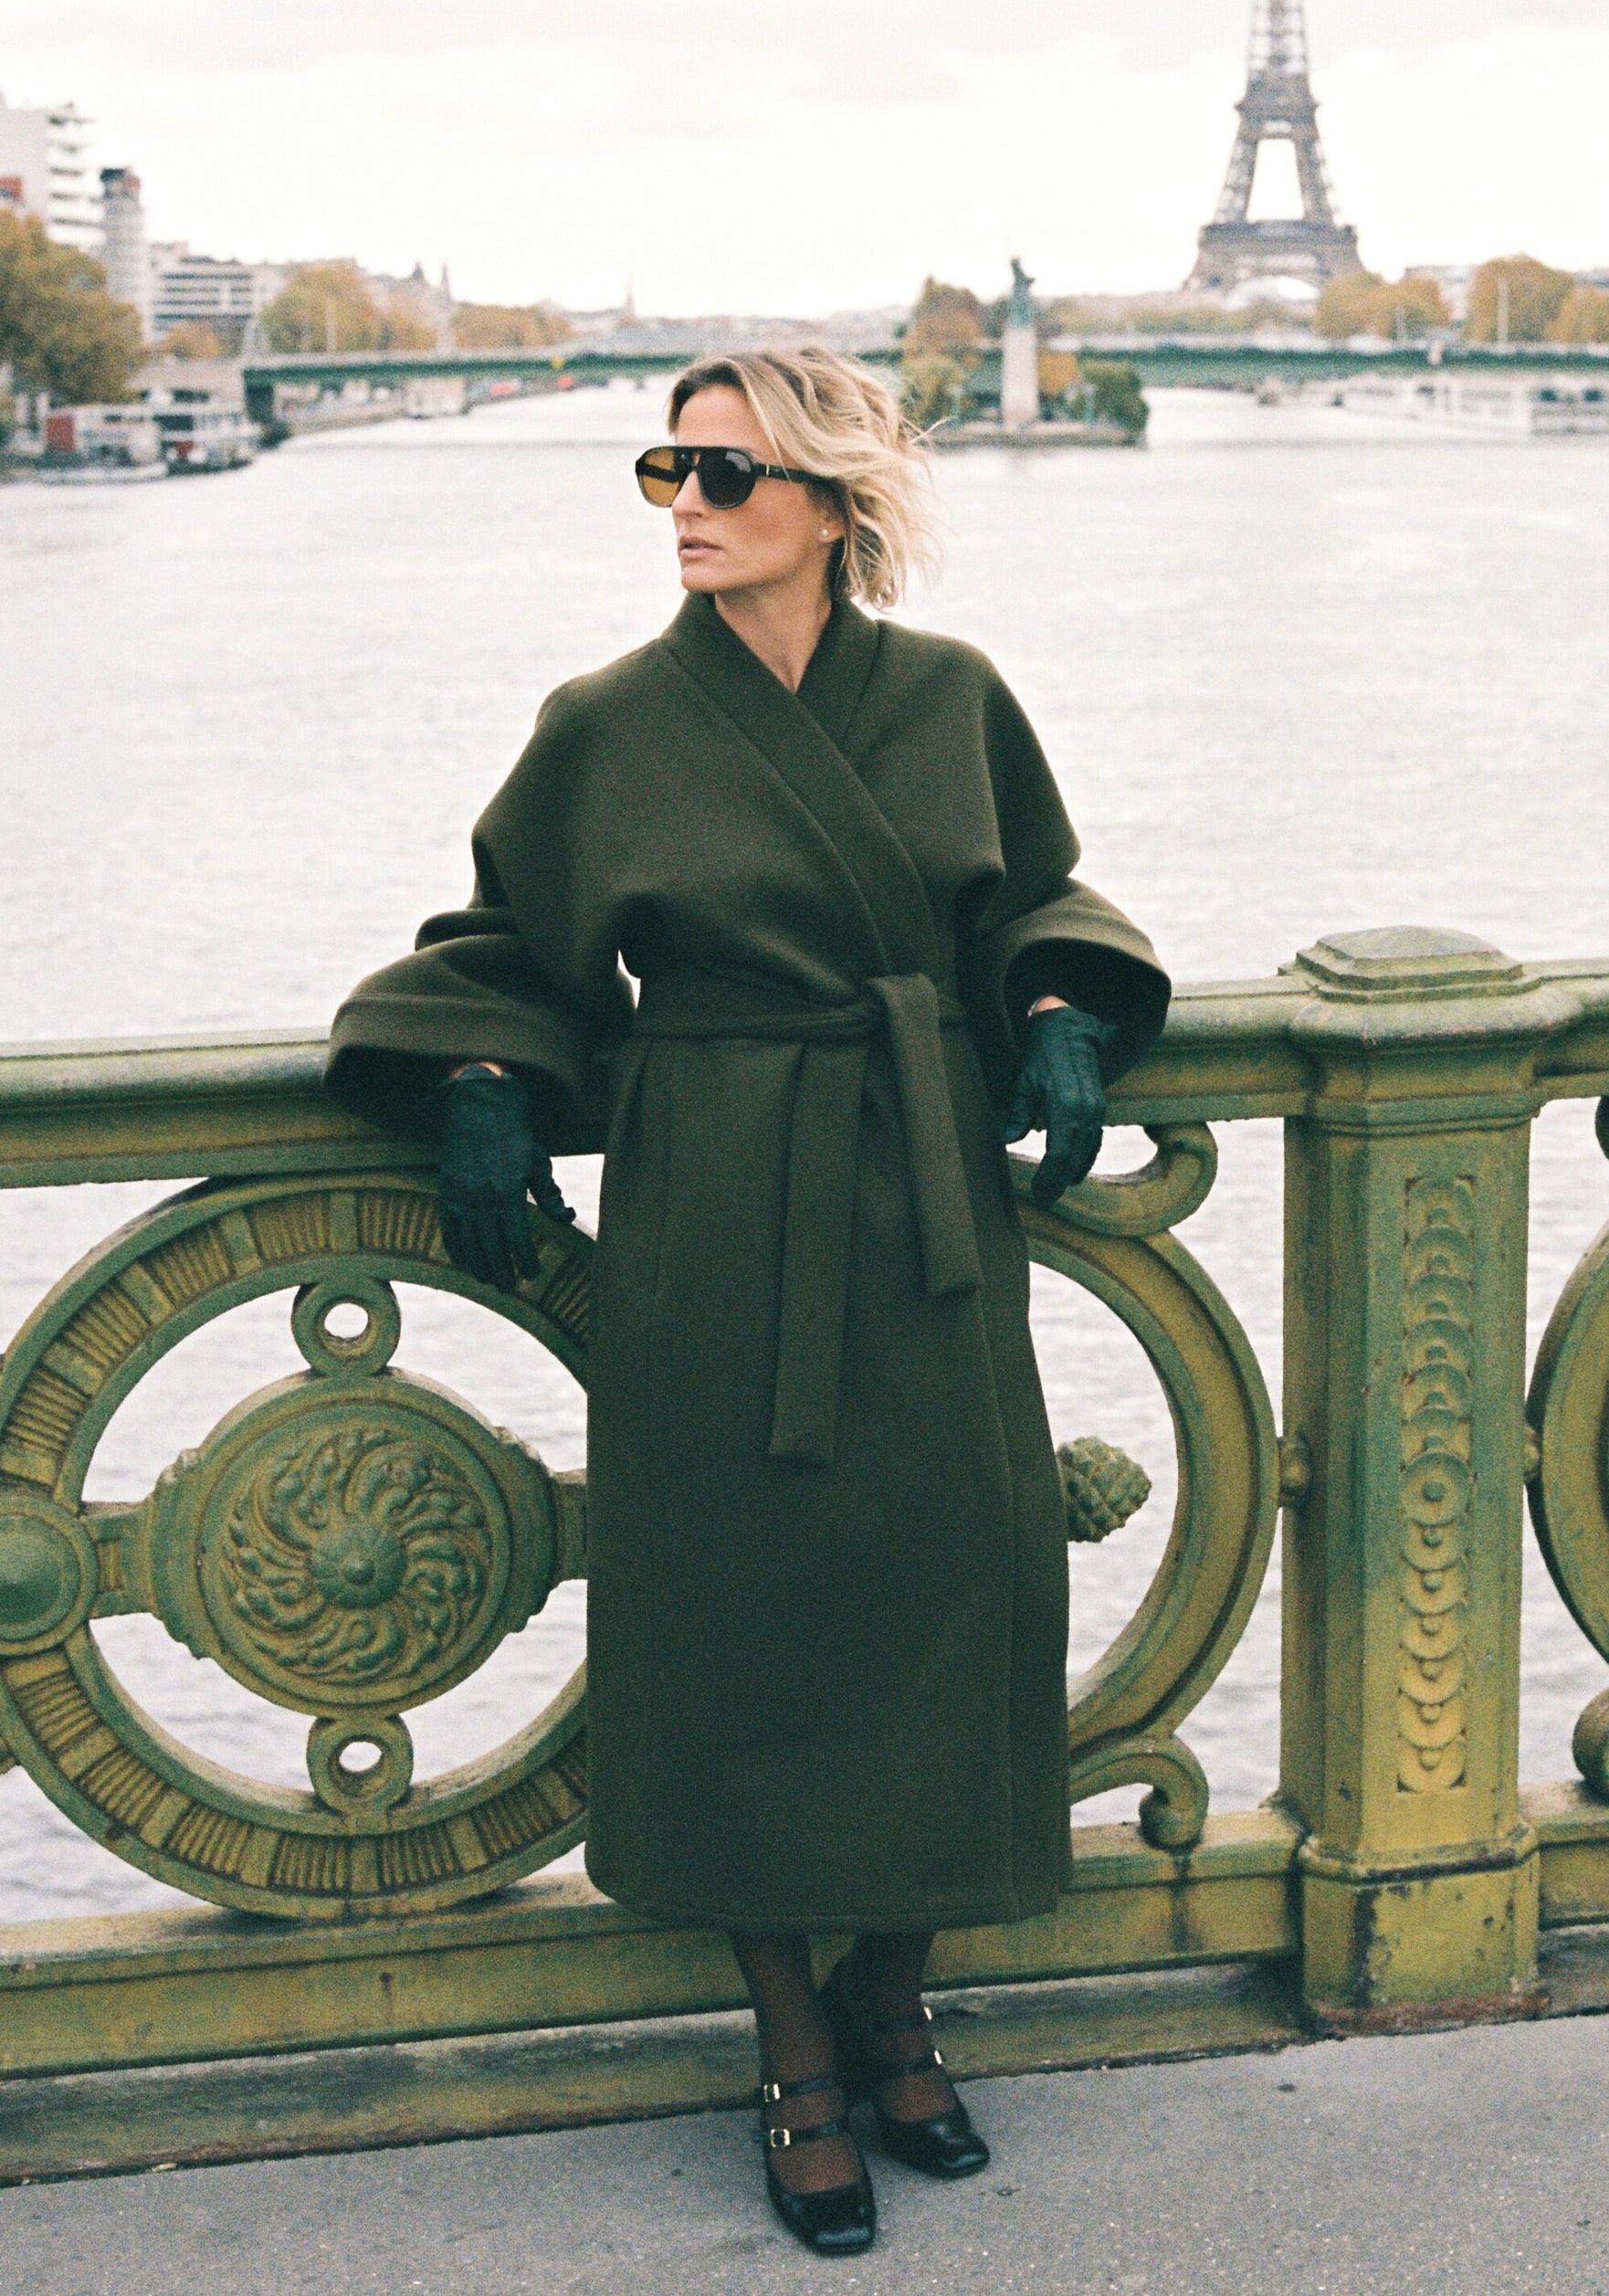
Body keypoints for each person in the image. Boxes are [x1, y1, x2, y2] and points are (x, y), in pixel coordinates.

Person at [325, 346, 1169, 2256]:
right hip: (711, 1197)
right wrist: (476, 1088)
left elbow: (1032, 895)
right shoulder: (606, 722)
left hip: (923, 1192)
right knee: (734, 1614)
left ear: (831, 499)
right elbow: (495, 943)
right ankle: (795, 2040)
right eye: (665, 469)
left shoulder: (950, 700)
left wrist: (1051, 1020)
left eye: (723, 470)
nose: (684, 500)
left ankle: (895, 1987)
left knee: (961, 1580)